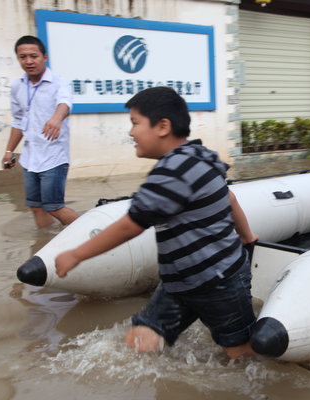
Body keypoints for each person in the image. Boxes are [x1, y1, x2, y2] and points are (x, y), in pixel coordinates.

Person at [55, 86, 256, 359]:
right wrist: (247, 237)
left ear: (162, 126)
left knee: (239, 351)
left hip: (218, 283)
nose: (131, 132)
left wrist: (77, 254)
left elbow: (130, 226)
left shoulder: (172, 171)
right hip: (180, 284)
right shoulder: (200, 156)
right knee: (140, 339)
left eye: (135, 123)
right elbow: (229, 198)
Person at [1, 35, 79, 228]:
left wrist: (56, 118)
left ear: (44, 57)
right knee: (36, 206)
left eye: (33, 56)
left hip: (54, 157)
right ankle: (46, 245)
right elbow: (19, 120)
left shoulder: (60, 83)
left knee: (54, 206)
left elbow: (65, 103)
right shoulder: (17, 86)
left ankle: (91, 238)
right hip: (30, 157)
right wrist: (9, 151)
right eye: (23, 57)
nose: (28, 61)